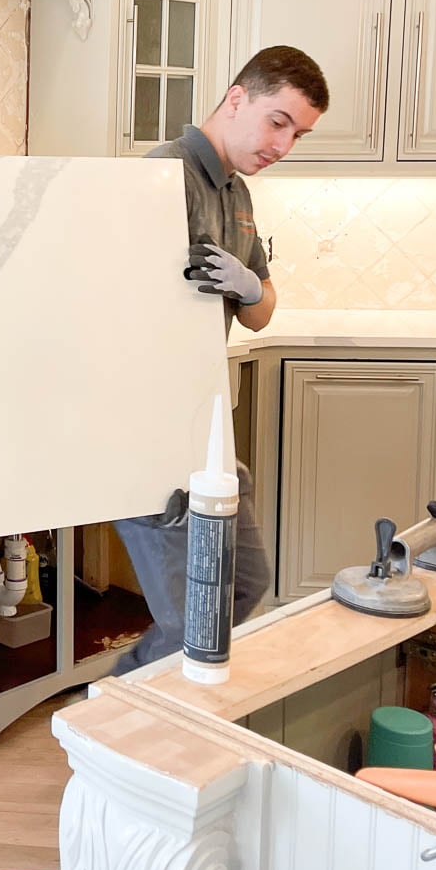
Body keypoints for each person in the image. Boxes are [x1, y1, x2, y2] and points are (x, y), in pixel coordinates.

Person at [110, 45, 330, 676]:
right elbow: (120, 315)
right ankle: (112, 724)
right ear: (237, 98)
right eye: (278, 121)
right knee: (188, 626)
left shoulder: (236, 191)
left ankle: (120, 707)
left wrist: (252, 287)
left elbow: (261, 313)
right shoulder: (161, 176)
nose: (283, 145)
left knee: (244, 587)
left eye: (299, 134)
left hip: (204, 425)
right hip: (151, 429)